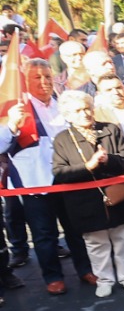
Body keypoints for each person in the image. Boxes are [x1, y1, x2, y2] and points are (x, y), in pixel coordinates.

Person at [4, 59, 95, 293]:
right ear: (25, 81)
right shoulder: (14, 108)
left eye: (47, 76)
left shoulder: (62, 103)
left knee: (76, 227)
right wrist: (12, 125)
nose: (44, 82)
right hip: (35, 182)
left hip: (67, 176)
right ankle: (53, 277)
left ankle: (85, 269)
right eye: (37, 77)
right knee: (44, 233)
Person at [51, 90, 124, 297]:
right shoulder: (62, 139)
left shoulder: (110, 128)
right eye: (78, 111)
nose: (84, 114)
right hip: (85, 201)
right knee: (96, 242)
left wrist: (108, 160)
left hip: (118, 195)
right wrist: (88, 166)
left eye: (87, 108)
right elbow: (59, 172)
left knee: (123, 238)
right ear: (68, 115)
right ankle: (104, 279)